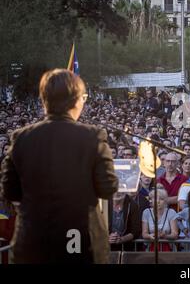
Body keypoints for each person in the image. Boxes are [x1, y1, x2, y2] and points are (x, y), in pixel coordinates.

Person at [0, 69, 118, 263]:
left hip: (33, 241)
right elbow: (108, 187)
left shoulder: (21, 137)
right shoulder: (92, 136)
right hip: (80, 238)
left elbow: (9, 190)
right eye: (84, 98)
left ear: (44, 101)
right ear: (76, 100)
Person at [142, 187, 178, 251]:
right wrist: (150, 236)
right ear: (151, 200)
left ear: (165, 201)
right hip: (151, 248)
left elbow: (175, 234)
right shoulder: (146, 212)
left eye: (161, 199)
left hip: (168, 249)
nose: (158, 201)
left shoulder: (171, 212)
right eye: (155, 198)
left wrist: (165, 236)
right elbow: (144, 234)